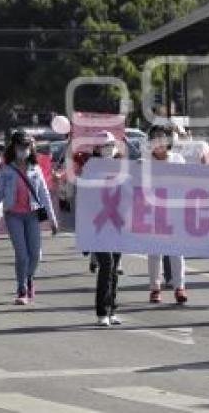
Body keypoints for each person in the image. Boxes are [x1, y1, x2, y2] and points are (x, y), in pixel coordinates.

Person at [0, 130, 58, 305]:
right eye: (20, 146)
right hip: (14, 216)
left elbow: (44, 193)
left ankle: (29, 278)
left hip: (32, 215)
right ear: (13, 147)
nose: (24, 149)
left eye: (27, 146)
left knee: (35, 254)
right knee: (22, 255)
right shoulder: (7, 169)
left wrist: (53, 219)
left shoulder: (35, 168)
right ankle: (22, 289)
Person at [145, 124, 188, 304]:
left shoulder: (178, 159)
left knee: (176, 251)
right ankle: (155, 288)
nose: (159, 142)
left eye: (162, 137)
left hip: (175, 211)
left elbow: (188, 184)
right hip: (153, 212)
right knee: (154, 252)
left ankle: (179, 287)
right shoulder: (144, 162)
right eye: (155, 138)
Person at [88, 132, 124, 327]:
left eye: (110, 145)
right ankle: (102, 311)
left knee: (115, 267)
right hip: (99, 224)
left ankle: (112, 309)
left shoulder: (122, 167)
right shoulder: (91, 169)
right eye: (104, 146)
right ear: (97, 149)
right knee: (107, 264)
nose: (107, 149)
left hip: (117, 224)